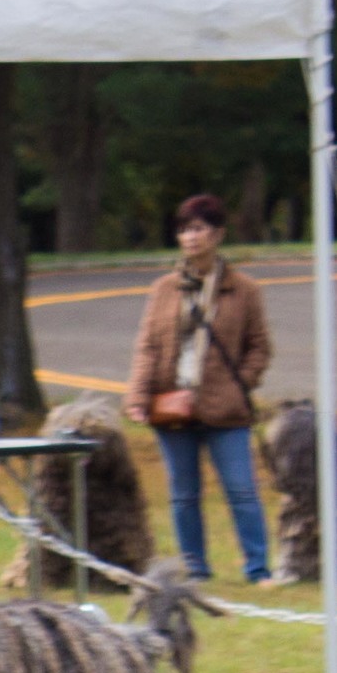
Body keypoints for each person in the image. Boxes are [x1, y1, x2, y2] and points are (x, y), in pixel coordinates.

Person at [125, 193, 273, 585]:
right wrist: (138, 397)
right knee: (183, 494)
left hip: (226, 409)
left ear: (218, 234)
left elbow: (260, 347)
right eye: (184, 229)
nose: (191, 237)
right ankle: (195, 569)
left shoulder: (243, 290)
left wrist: (241, 385)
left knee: (242, 491)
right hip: (172, 403)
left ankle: (258, 568)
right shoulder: (164, 289)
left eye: (199, 229)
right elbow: (147, 346)